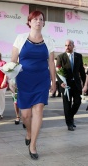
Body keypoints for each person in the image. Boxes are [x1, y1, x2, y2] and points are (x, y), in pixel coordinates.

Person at [11, 10, 56, 160]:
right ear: (29, 22)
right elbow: (13, 61)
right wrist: (11, 80)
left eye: (41, 19)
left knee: (38, 110)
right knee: (25, 115)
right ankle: (29, 132)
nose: (38, 21)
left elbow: (51, 63)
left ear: (43, 23)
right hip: (24, 80)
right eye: (35, 19)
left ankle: (33, 145)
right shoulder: (20, 38)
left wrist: (53, 82)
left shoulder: (49, 41)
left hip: (42, 80)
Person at [56, 40, 86, 131]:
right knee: (67, 104)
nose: (67, 47)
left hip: (76, 84)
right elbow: (58, 71)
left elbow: (81, 71)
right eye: (65, 45)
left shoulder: (78, 56)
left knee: (78, 102)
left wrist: (85, 84)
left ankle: (70, 116)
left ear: (73, 46)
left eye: (69, 45)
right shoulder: (60, 57)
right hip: (65, 85)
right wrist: (61, 82)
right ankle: (69, 123)